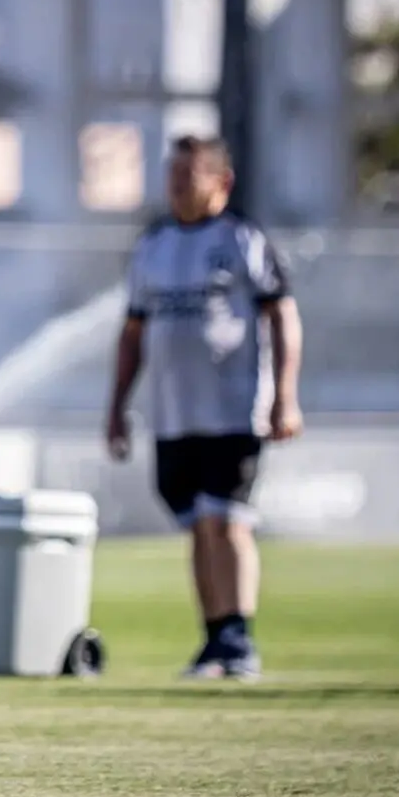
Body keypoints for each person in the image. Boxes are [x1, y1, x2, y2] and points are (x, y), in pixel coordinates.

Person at [106, 135, 304, 681]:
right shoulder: (153, 245)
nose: (175, 186)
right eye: (172, 176)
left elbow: (282, 314)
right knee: (198, 523)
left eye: (187, 176)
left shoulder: (241, 240)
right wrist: (117, 406)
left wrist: (285, 397)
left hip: (233, 410)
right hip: (173, 414)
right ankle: (215, 638)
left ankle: (240, 638)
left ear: (222, 181)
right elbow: (133, 332)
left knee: (227, 519)